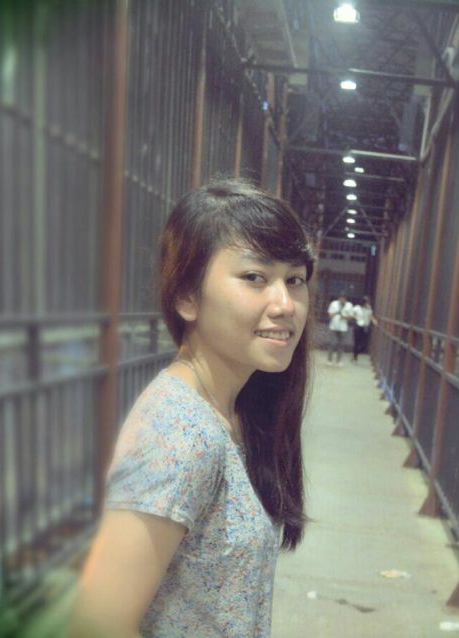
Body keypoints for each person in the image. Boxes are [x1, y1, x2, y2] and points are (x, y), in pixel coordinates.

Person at [69, 179, 315, 638]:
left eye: (295, 279)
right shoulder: (179, 433)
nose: (285, 304)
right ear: (186, 296)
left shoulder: (234, 413)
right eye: (255, 277)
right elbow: (95, 624)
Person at [326, 292, 354, 367]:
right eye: (341, 298)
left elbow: (351, 317)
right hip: (333, 326)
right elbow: (330, 315)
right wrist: (337, 312)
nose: (342, 300)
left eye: (344, 298)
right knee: (331, 343)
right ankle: (329, 360)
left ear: (346, 299)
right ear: (339, 298)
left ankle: (339, 361)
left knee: (341, 345)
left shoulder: (349, 305)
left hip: (343, 328)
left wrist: (344, 317)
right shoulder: (333, 304)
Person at [351, 295, 373, 363]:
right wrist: (356, 318)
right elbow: (351, 314)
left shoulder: (369, 309)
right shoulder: (357, 308)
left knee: (365, 344)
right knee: (356, 342)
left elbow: (370, 316)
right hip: (358, 326)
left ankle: (356, 353)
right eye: (367, 302)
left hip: (365, 327)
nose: (368, 303)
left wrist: (374, 320)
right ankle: (355, 357)